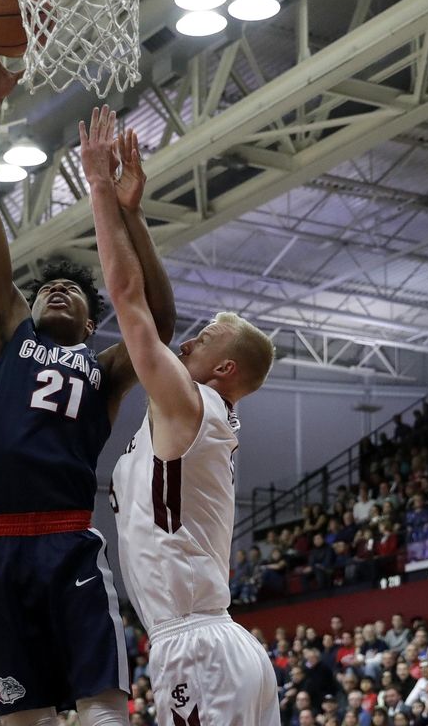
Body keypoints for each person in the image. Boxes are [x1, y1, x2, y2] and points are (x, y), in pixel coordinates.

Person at [0, 28, 174, 725]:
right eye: (46, 285)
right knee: (24, 716)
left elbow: (158, 325)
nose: (55, 290)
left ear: (91, 323)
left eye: (72, 292)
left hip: (67, 535)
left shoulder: (104, 369)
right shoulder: (3, 332)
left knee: (104, 703)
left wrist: (130, 214)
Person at [81, 106, 279, 724]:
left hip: (196, 645)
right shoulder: (193, 411)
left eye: (206, 338)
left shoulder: (190, 403)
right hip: (215, 644)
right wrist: (134, 213)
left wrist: (98, 192)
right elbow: (153, 311)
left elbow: (130, 301)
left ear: (226, 370)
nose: (188, 341)